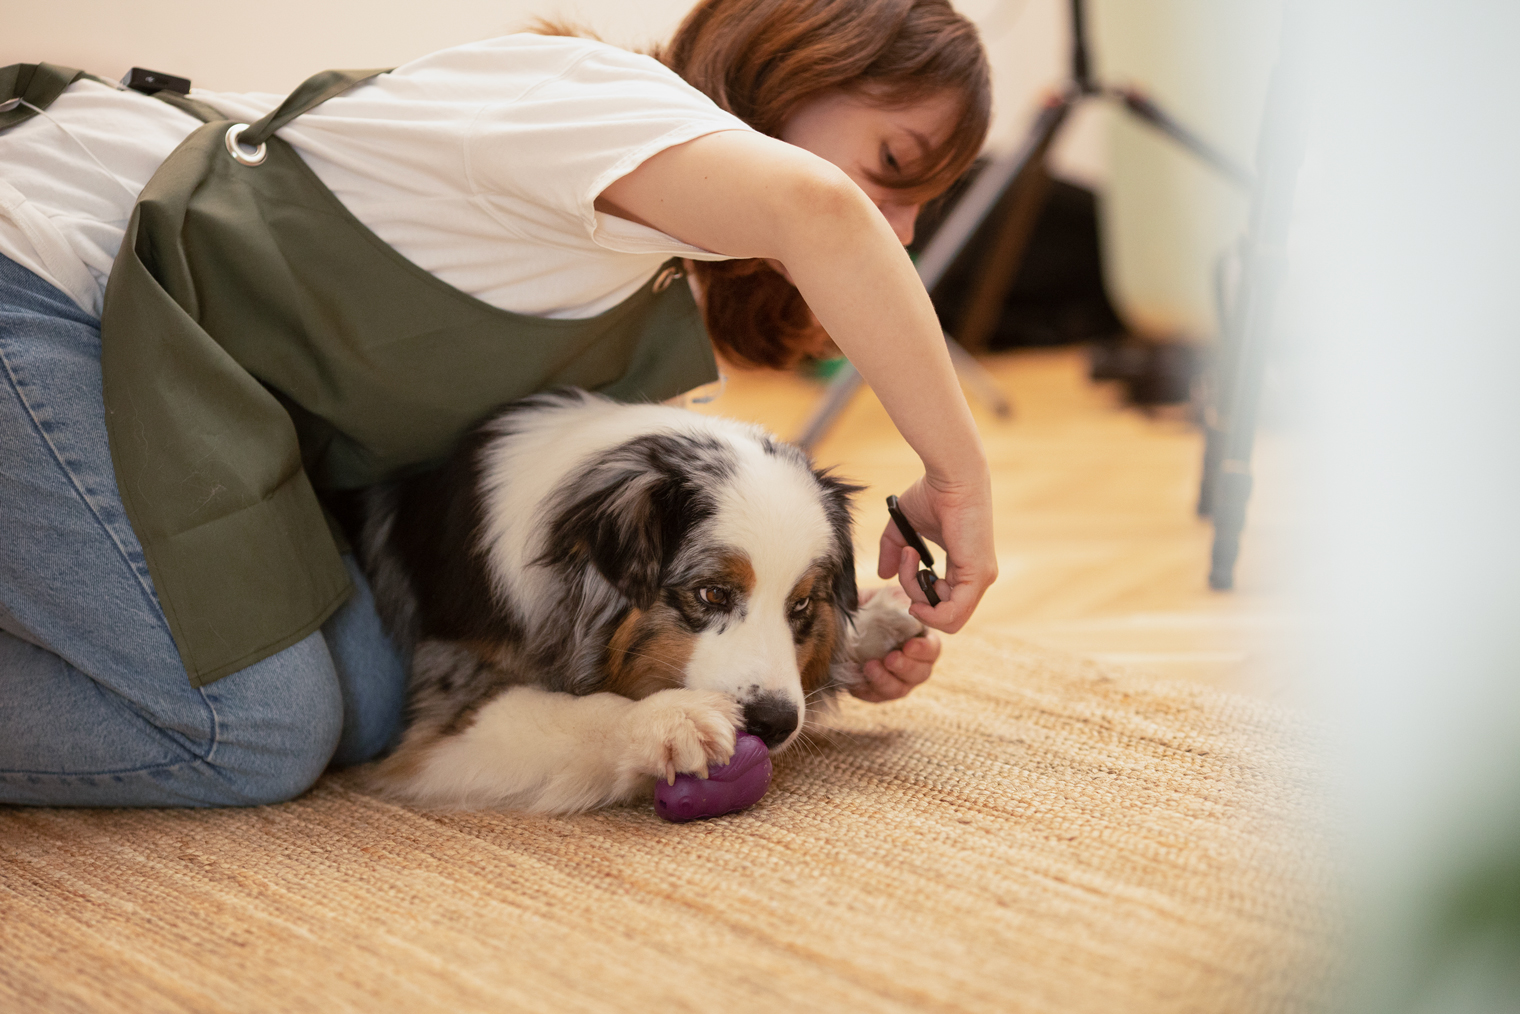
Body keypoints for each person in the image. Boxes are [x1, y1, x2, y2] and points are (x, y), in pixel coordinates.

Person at [0, 0, 997, 807]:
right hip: (45, 275)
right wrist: (955, 473)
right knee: (252, 732)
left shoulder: (654, 303)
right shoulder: (585, 99)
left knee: (372, 696)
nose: (895, 232)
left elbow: (609, 607)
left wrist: (806, 654)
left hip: (167, 383)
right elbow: (816, 205)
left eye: (921, 205)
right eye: (893, 168)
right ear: (790, 69)